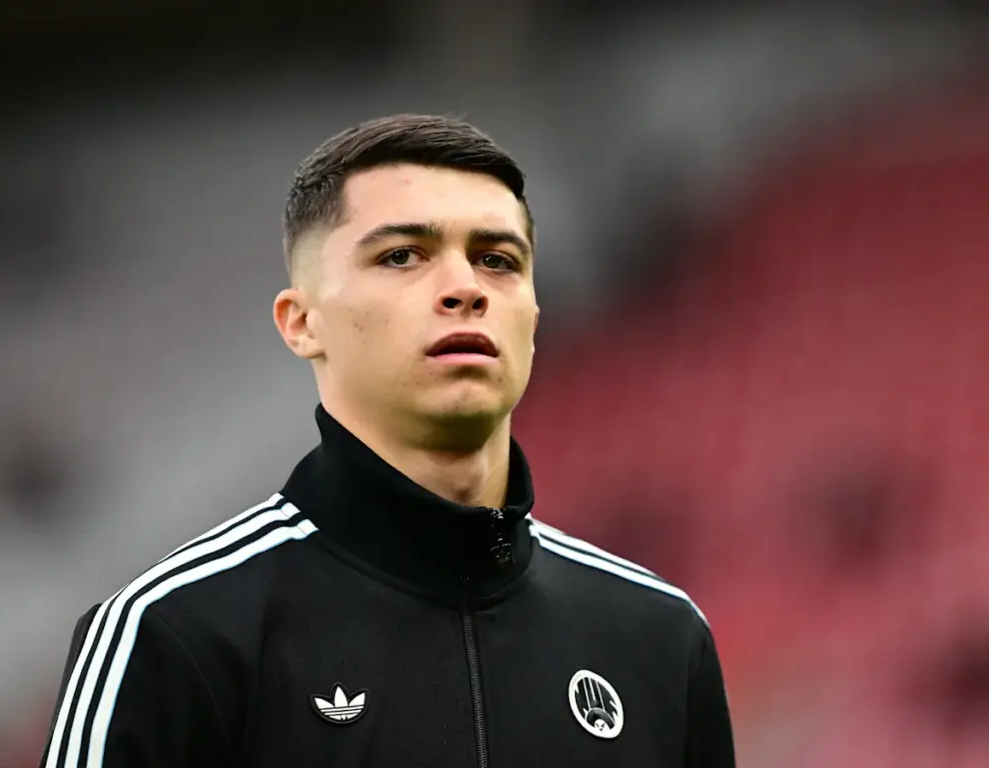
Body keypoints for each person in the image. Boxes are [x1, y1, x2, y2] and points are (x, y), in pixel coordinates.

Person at [39, 114, 736, 767]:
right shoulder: (174, 634)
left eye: (497, 260)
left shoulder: (660, 638)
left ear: (532, 313)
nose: (465, 288)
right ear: (301, 323)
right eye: (402, 256)